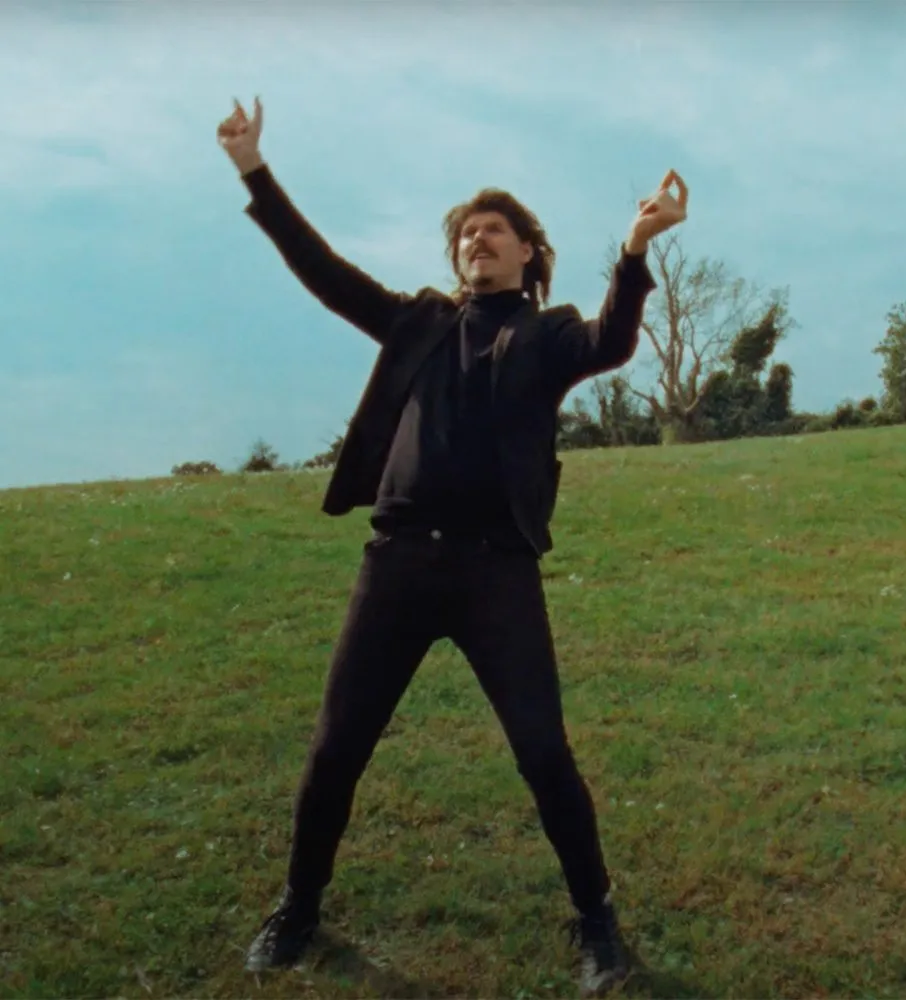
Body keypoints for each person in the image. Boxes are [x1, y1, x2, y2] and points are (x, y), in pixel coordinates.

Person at [216, 96, 686, 996]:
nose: (478, 240)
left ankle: (597, 923)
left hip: (495, 571)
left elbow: (615, 341)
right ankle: (299, 908)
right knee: (335, 749)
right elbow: (324, 272)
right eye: (468, 233)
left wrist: (635, 248)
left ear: (528, 253)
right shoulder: (418, 321)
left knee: (544, 754)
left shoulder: (548, 334)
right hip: (397, 563)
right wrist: (252, 169)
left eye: (495, 230)